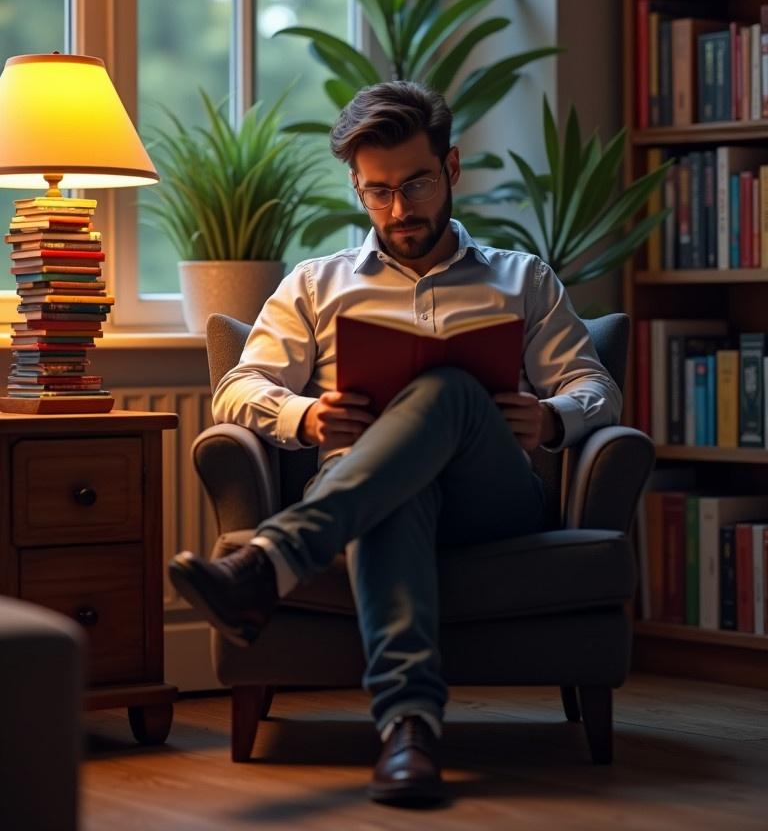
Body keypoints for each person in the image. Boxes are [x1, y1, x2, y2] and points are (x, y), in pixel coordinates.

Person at [169, 80, 622, 807]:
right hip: (365, 492)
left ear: (451, 168)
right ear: (356, 186)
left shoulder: (522, 277)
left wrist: (553, 419)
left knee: (448, 389)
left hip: (492, 500)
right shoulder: (315, 283)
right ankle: (408, 732)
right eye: (377, 192)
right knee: (391, 491)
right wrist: (307, 417)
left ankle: (275, 559)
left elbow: (598, 389)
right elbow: (237, 387)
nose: (400, 210)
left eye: (414, 184)